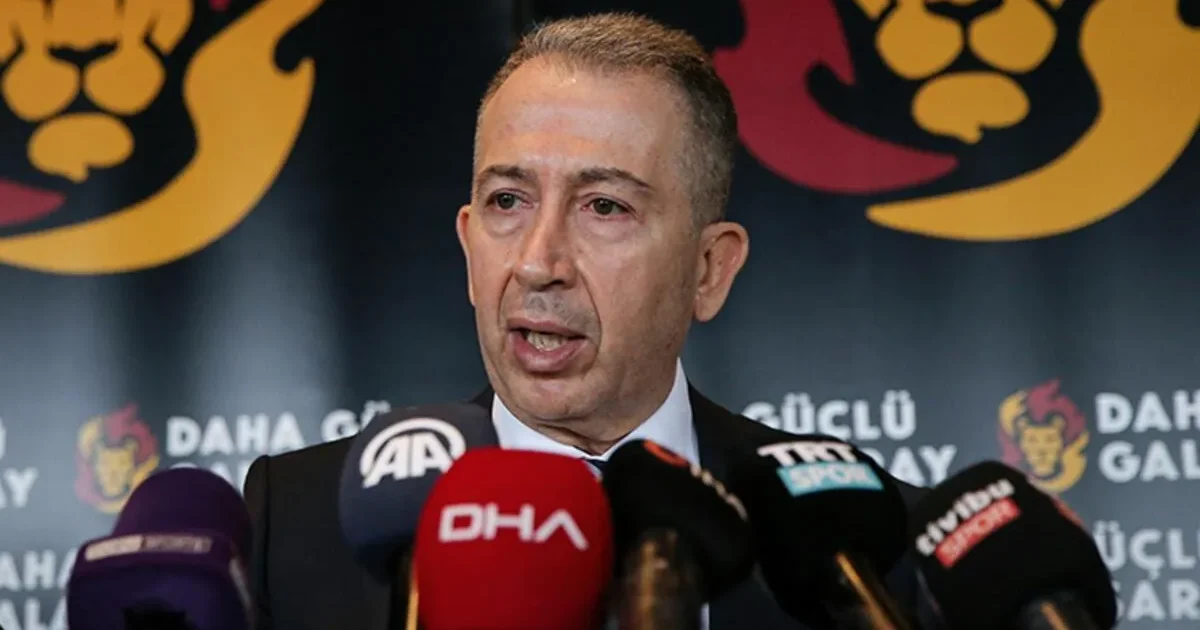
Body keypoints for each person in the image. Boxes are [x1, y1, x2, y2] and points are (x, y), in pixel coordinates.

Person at [245, 13, 930, 630]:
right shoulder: (298, 523)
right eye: (507, 200)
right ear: (468, 247)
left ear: (709, 269)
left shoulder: (869, 552)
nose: (537, 263)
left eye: (604, 206)